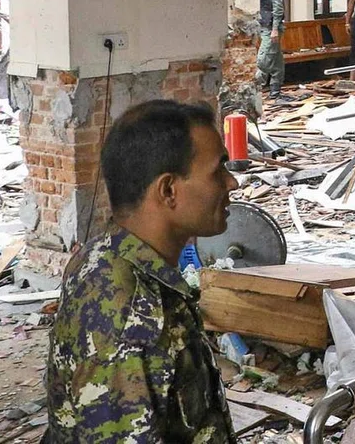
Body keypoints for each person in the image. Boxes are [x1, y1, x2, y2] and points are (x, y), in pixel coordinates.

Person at [44, 100, 238, 443]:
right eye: (218, 171)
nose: (232, 183)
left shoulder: (109, 252)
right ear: (168, 191)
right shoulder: (132, 316)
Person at [256, 0, 286, 99]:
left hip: (271, 29)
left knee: (263, 60)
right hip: (265, 27)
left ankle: (253, 92)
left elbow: (278, 7)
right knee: (276, 63)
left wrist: (274, 29)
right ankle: (275, 93)